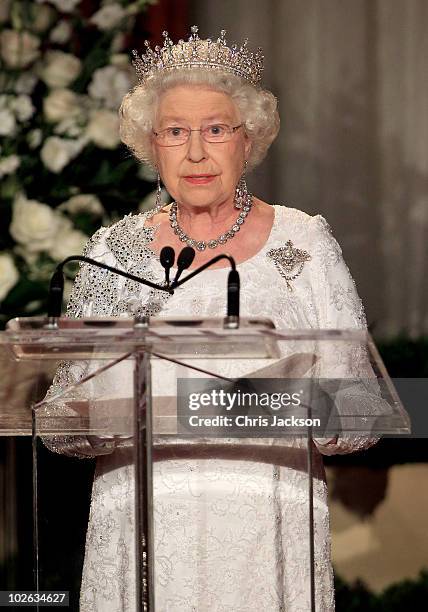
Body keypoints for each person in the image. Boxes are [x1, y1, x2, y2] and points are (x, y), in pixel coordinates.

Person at [43, 26, 381, 611]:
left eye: (216, 130)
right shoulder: (112, 251)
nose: (196, 152)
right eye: (175, 132)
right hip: (142, 526)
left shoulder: (305, 241)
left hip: (267, 526)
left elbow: (360, 415)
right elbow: (61, 422)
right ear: (152, 146)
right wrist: (113, 411)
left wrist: (254, 401)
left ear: (247, 141)